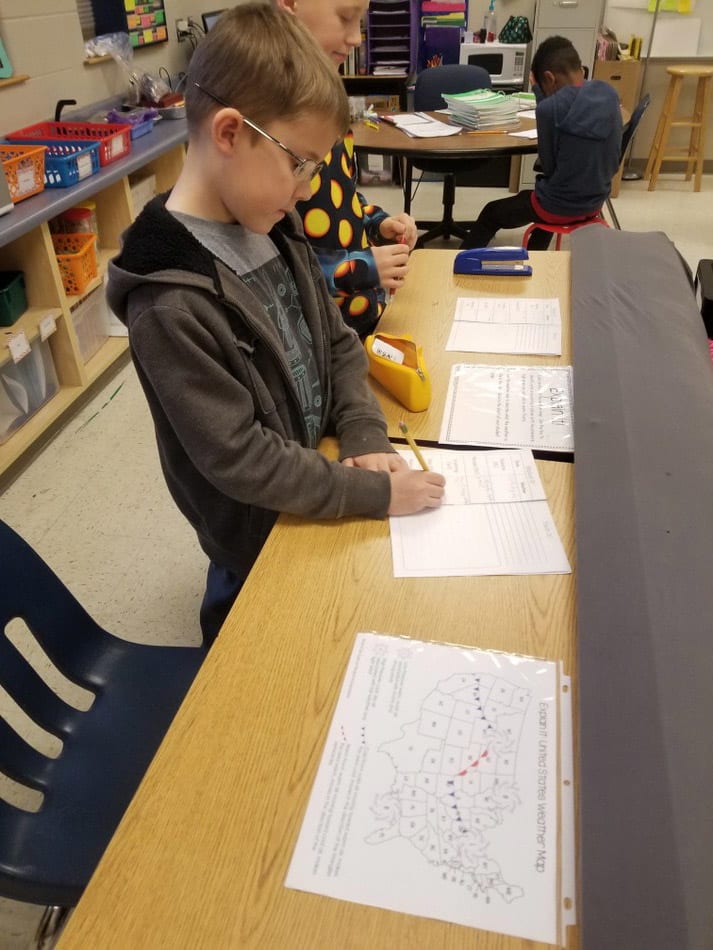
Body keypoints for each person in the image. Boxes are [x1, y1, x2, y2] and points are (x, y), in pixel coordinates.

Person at [106, 5, 445, 645]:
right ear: (230, 133)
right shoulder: (169, 303)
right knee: (264, 665)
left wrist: (363, 429)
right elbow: (243, 460)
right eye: (299, 164)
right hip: (256, 537)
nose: (306, 189)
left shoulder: (273, 224)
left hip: (316, 483)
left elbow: (338, 343)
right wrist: (373, 494)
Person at [275, 0, 418, 338]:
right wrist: (361, 268)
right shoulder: (275, 124)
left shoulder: (329, 104)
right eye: (345, 18)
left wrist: (378, 223)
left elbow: (344, 199)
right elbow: (279, 270)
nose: (356, 38)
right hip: (321, 337)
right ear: (290, 4)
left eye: (361, 23)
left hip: (364, 320)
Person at [460, 35, 622, 251]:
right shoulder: (609, 94)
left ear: (549, 78)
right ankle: (536, 258)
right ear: (580, 68)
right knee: (547, 200)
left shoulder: (549, 109)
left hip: (558, 206)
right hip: (595, 203)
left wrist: (538, 92)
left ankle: (457, 262)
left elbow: (548, 166)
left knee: (491, 213)